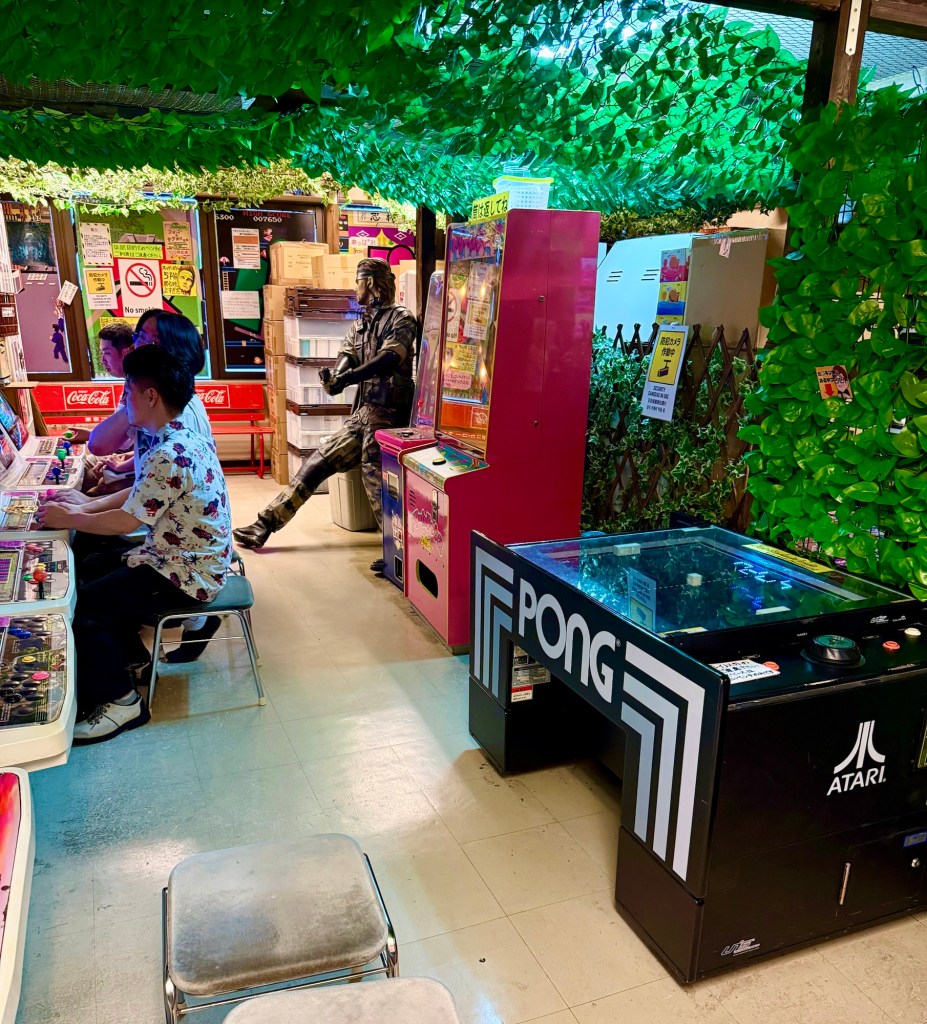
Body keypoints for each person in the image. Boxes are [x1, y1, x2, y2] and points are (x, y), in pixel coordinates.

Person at [38, 345, 232, 744]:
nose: (124, 399)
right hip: (181, 558)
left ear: (151, 396)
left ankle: (122, 702)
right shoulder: (179, 438)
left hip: (187, 574)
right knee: (91, 568)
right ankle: (131, 661)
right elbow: (141, 496)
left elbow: (127, 520)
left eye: (128, 391)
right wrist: (83, 505)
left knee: (85, 608)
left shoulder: (170, 452)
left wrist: (70, 518)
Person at [233, 258, 416, 570]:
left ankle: (397, 553)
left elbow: (390, 357)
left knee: (376, 476)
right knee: (318, 461)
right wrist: (336, 378)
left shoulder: (401, 318)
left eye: (358, 281)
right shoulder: (361, 323)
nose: (356, 289)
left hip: (390, 415)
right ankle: (263, 525)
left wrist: (349, 377)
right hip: (365, 412)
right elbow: (347, 356)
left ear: (371, 283)